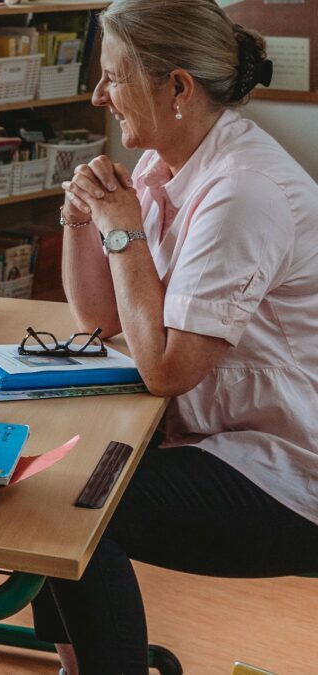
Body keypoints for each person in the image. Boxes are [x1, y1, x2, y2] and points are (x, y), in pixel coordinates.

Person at [35, 0, 318, 672]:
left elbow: (164, 368)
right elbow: (108, 328)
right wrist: (85, 221)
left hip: (289, 468)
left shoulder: (243, 191)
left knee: (74, 506)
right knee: (56, 483)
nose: (100, 94)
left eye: (114, 77)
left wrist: (123, 229)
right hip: (225, 439)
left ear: (179, 87)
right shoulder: (174, 170)